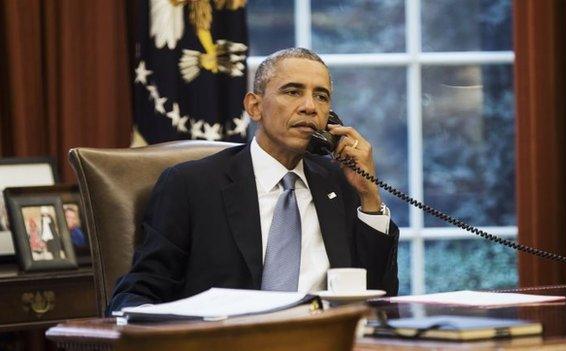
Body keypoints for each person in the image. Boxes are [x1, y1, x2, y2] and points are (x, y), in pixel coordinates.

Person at [107, 48, 399, 314]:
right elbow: (138, 293)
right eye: (293, 92)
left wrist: (369, 196)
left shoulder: (341, 183)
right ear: (254, 107)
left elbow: (379, 297)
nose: (310, 106)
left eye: (321, 96)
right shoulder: (191, 186)